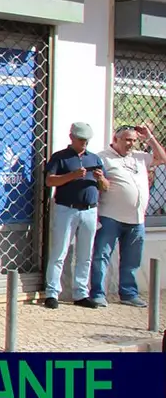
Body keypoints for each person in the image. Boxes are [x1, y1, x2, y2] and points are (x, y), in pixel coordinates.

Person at [90, 123, 166, 307]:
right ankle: (98, 293)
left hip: (137, 219)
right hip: (111, 216)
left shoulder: (139, 157)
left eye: (133, 140)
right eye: (126, 140)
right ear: (115, 140)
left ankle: (128, 293)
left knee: (132, 260)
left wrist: (149, 136)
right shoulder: (104, 157)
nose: (130, 144)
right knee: (102, 256)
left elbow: (162, 158)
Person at [43, 121, 108, 310]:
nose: (84, 143)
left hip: (89, 210)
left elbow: (106, 186)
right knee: (59, 252)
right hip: (66, 209)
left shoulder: (94, 158)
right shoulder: (60, 158)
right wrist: (72, 176)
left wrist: (101, 179)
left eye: (87, 140)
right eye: (81, 140)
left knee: (85, 253)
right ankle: (52, 292)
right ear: (71, 137)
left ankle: (81, 293)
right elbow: (49, 181)